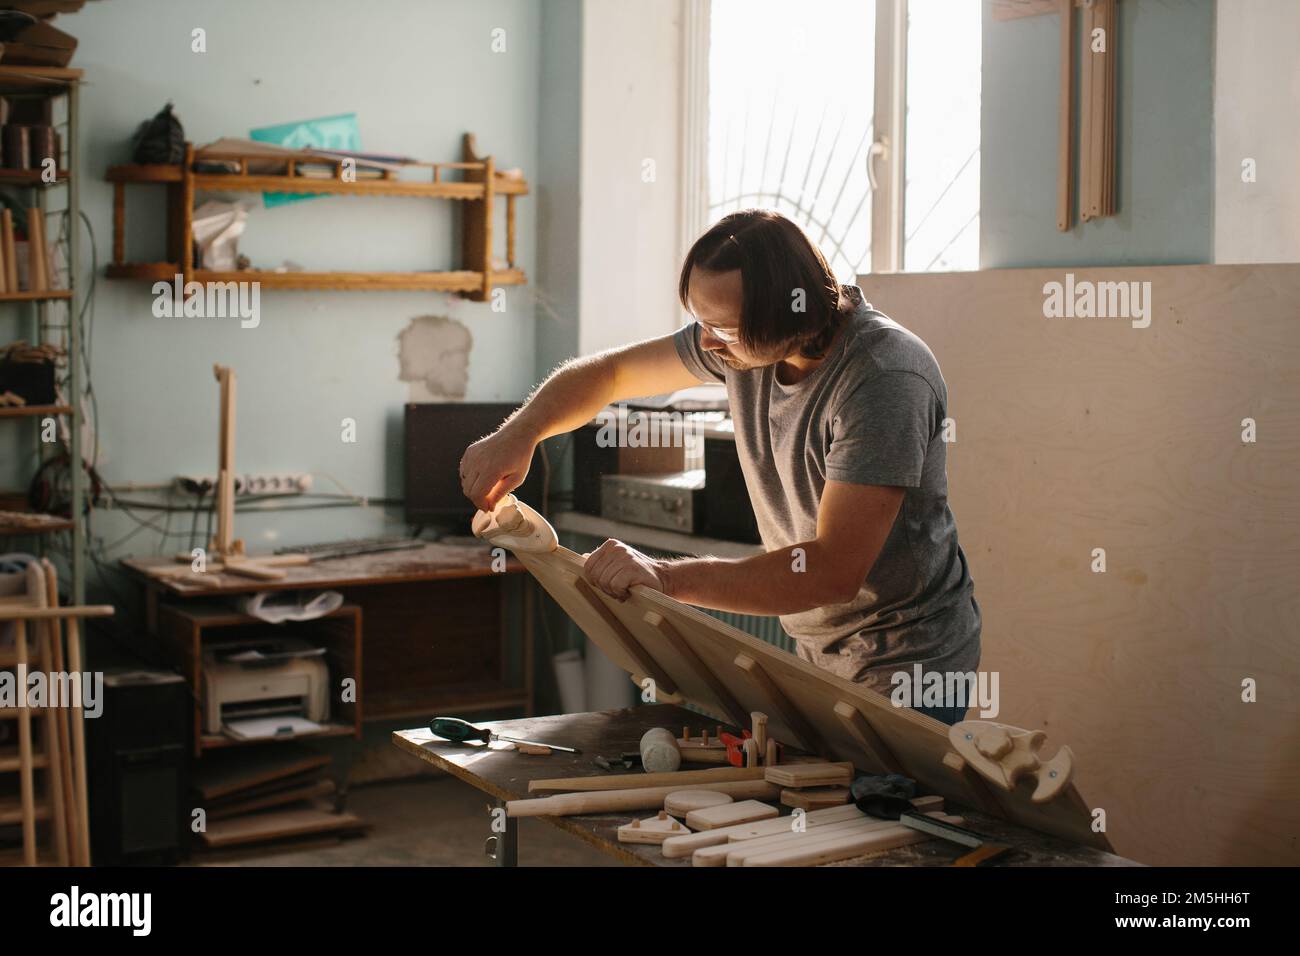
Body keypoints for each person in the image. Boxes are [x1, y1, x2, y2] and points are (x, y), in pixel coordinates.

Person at [460, 209, 980, 724]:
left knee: (880, 807)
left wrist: (664, 576)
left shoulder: (884, 378)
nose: (707, 342)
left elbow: (831, 571)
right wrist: (520, 433)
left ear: (786, 315)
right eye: (701, 321)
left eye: (723, 328)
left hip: (910, 659)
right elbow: (612, 374)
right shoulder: (744, 345)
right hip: (821, 644)